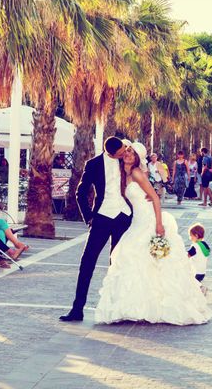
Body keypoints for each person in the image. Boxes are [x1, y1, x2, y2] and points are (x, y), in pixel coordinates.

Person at [95, 142, 211, 325]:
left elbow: (155, 198)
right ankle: (133, 306)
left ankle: (154, 306)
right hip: (137, 220)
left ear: (137, 159)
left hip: (148, 219)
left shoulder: (136, 173)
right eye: (126, 152)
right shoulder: (122, 174)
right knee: (132, 257)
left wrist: (158, 224)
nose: (128, 155)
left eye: (132, 154)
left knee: (143, 258)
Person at [60, 137, 133, 322]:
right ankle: (77, 309)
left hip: (123, 217)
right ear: (111, 152)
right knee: (87, 262)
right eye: (120, 151)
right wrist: (89, 216)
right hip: (101, 217)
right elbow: (80, 192)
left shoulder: (127, 161)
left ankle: (117, 309)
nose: (124, 152)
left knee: (118, 263)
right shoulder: (93, 164)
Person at [187, 223, 211, 295]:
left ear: (196, 236)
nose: (190, 238)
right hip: (202, 271)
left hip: (195, 271)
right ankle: (199, 290)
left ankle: (202, 288)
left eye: (191, 235)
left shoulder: (195, 246)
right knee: (195, 283)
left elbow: (188, 255)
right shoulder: (205, 244)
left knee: (191, 282)